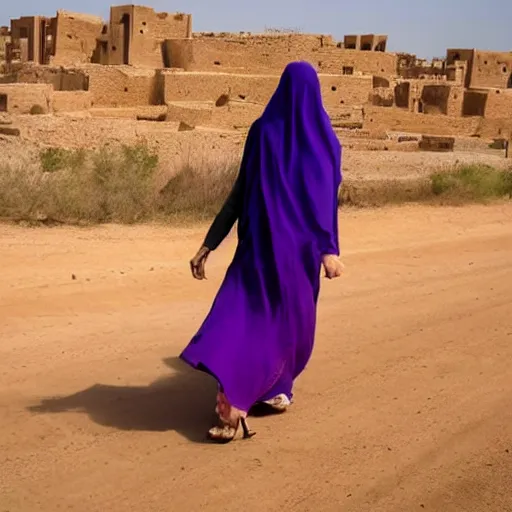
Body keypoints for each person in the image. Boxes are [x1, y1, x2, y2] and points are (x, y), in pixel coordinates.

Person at [180, 61, 344, 443]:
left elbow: (238, 195)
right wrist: (328, 250)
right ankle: (244, 398)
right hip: (299, 258)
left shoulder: (262, 131)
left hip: (256, 249)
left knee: (241, 320)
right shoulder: (324, 141)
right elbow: (325, 202)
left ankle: (252, 394)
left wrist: (209, 243)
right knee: (285, 329)